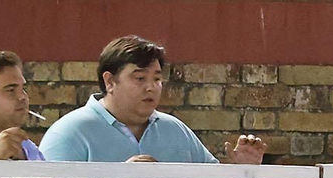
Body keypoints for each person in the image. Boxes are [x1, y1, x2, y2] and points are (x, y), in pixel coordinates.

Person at [40, 36, 266, 164]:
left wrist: (240, 172)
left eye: (157, 79)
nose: (151, 87)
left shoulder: (176, 131)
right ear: (109, 81)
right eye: (139, 78)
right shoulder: (69, 133)